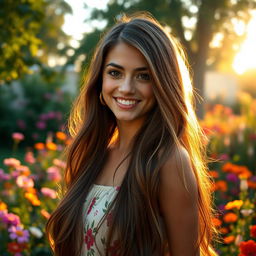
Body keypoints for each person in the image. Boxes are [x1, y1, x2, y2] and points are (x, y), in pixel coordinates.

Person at [46, 12, 219, 256]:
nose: (126, 88)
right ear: (100, 81)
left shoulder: (168, 161)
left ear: (163, 83)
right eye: (115, 73)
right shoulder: (93, 155)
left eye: (143, 76)